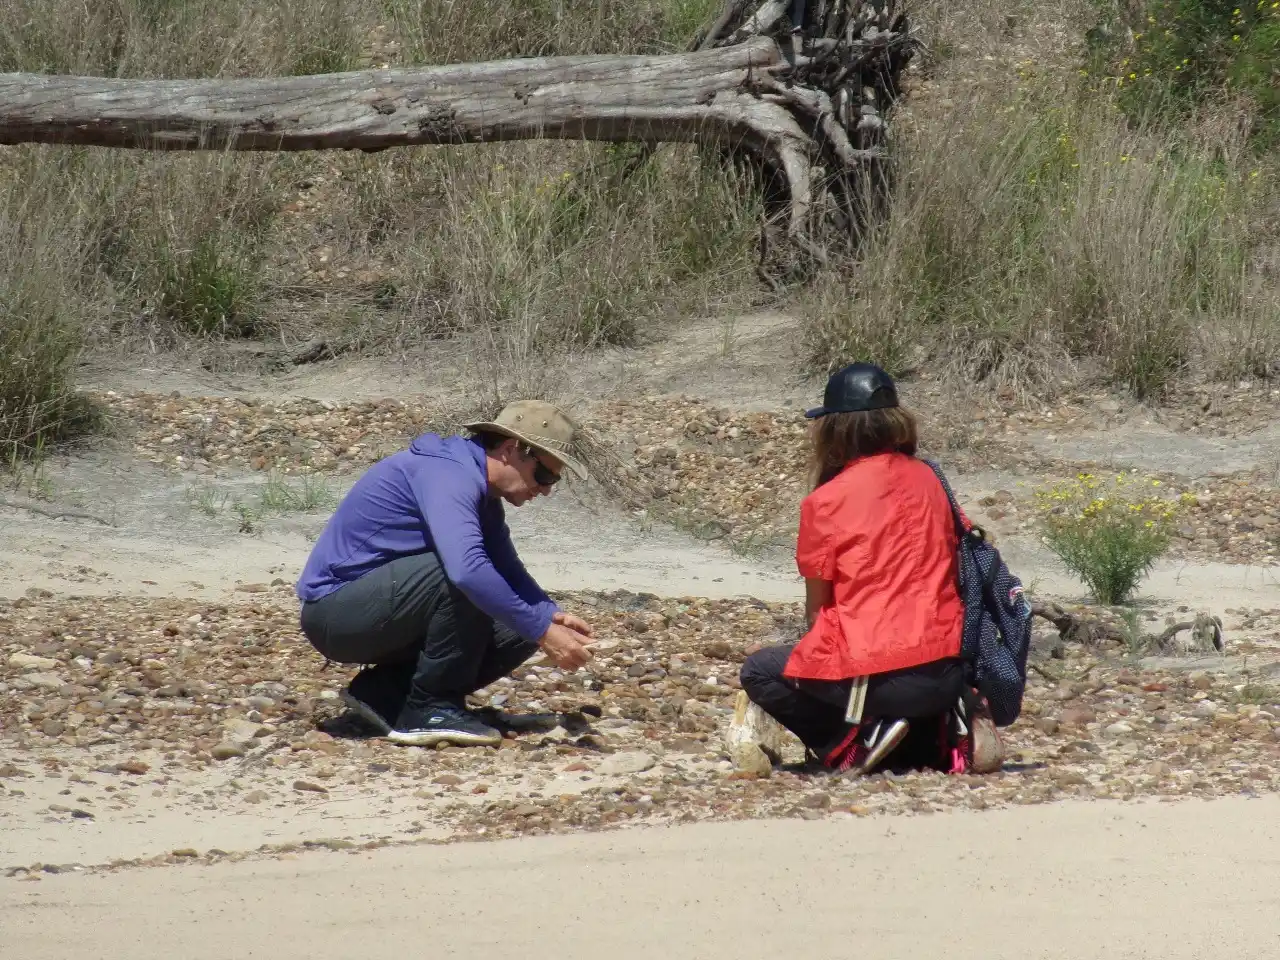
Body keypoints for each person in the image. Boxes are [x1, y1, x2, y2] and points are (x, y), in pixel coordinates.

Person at [740, 362, 994, 776]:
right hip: (949, 670)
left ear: (834, 431)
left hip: (879, 678)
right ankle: (943, 735)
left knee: (760, 671)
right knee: (902, 667)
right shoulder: (931, 480)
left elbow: (817, 611)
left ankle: (849, 743)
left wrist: (811, 661)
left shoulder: (825, 502)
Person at [295, 400, 597, 748]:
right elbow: (467, 571)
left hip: (382, 608)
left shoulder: (482, 493)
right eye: (545, 476)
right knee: (465, 578)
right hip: (334, 614)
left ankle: (387, 693)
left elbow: (508, 569)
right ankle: (428, 708)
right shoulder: (448, 475)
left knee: (522, 624)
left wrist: (550, 618)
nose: (545, 489)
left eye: (553, 481)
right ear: (512, 450)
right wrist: (543, 629)